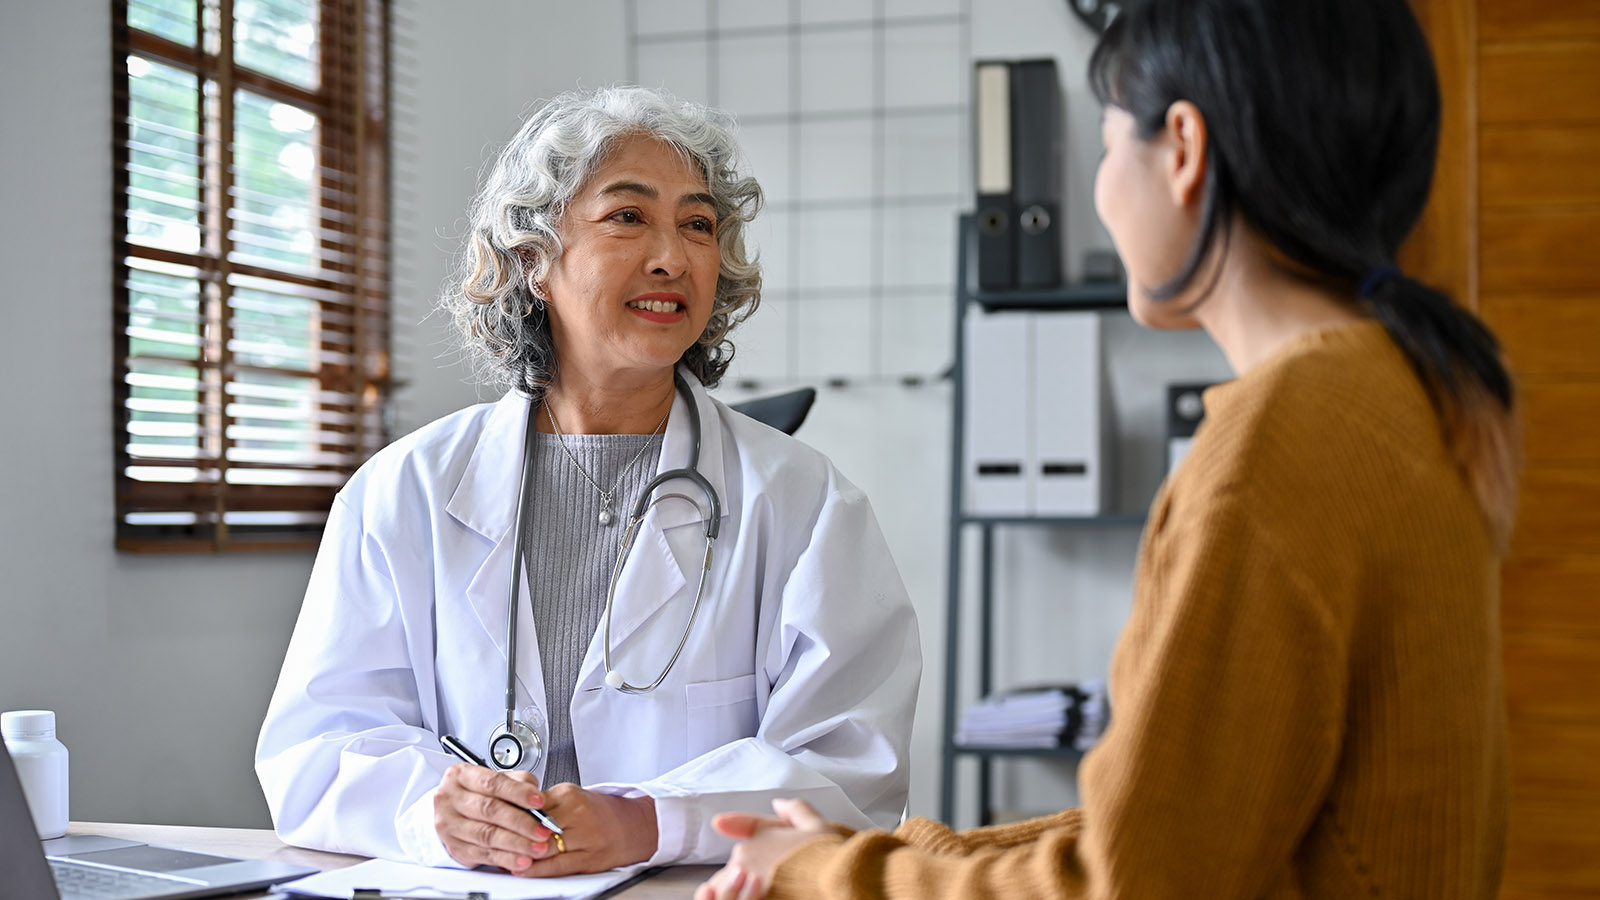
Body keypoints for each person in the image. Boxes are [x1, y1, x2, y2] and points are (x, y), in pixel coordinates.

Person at [698, 0, 1520, 897]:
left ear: (1183, 149)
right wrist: (896, 858)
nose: (1098, 191)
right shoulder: (1390, 389)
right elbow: (1184, 821)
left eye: (1106, 142)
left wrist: (828, 876)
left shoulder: (1279, 440)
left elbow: (1128, 884)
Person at [254, 85, 921, 878]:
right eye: (628, 216)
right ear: (534, 260)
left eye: (699, 225)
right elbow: (317, 749)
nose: (672, 256)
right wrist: (437, 812)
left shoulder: (805, 502)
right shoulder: (404, 491)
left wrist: (652, 822)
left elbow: (852, 766)